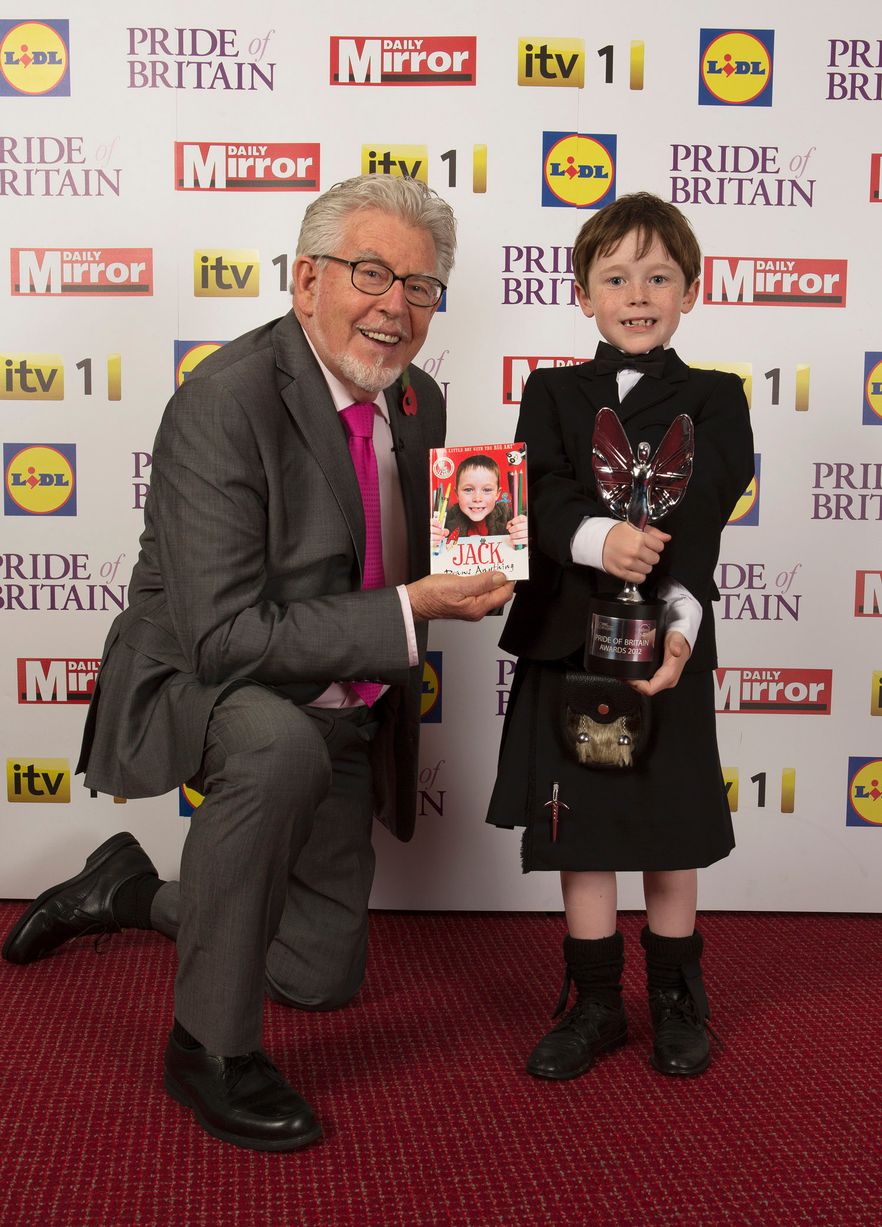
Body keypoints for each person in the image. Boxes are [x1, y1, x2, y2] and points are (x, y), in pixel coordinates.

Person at [2, 174, 513, 1151]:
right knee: (276, 749)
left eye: (421, 286)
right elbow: (225, 639)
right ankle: (208, 1050)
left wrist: (487, 574)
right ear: (305, 278)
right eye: (372, 273)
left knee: (320, 979)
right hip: (207, 681)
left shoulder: (422, 399)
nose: (395, 307)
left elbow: (403, 551)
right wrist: (410, 609)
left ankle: (125, 892)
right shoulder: (222, 403)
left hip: (344, 695)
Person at [487, 192, 754, 1081]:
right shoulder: (552, 392)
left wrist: (679, 618)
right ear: (583, 293)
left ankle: (678, 997)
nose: (637, 294)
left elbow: (707, 508)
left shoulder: (719, 398)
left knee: (669, 823)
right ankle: (597, 1001)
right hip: (572, 643)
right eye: (615, 277)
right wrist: (603, 539)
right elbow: (544, 493)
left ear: (691, 289)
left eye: (657, 276)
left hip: (665, 645)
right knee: (584, 826)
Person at [432, 453, 528, 547]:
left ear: (497, 494)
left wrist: (525, 533)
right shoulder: (445, 519)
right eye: (468, 490)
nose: (477, 499)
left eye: (487, 490)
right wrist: (433, 538)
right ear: (457, 493)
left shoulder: (509, 515)